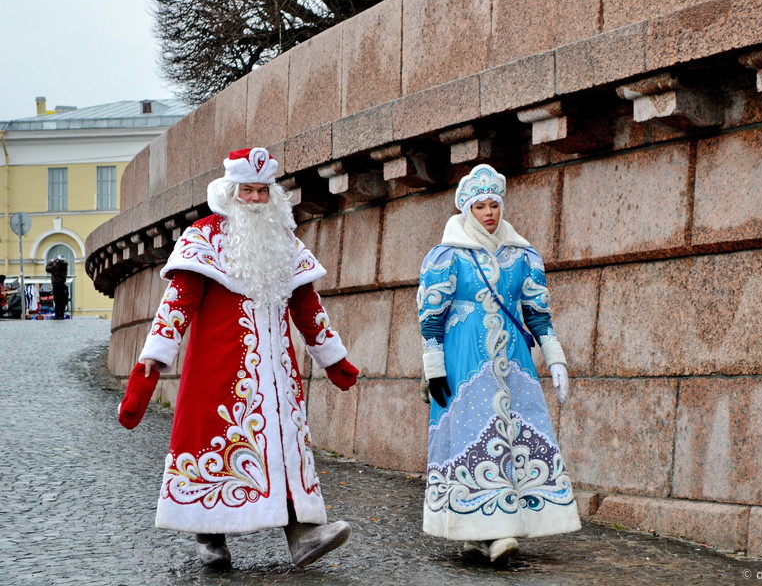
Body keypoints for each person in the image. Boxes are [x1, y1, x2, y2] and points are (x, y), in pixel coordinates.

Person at [118, 147, 359, 570]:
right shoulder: (203, 238)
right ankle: (209, 535)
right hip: (219, 372)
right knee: (215, 445)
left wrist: (333, 358)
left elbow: (307, 305)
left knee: (282, 448)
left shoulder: (285, 241)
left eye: (263, 192)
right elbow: (178, 303)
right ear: (231, 192)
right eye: (248, 190)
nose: (256, 200)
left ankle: (302, 535)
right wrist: (154, 359)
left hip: (278, 373)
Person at [417, 164, 581, 562]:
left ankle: (503, 526)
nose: (489, 212)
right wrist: (433, 365)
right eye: (480, 206)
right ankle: (481, 530)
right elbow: (430, 315)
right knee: (472, 431)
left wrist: (555, 358)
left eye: (494, 205)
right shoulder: (448, 254)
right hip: (464, 358)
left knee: (518, 433)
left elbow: (537, 313)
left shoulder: (522, 254)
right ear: (466, 209)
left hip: (514, 362)